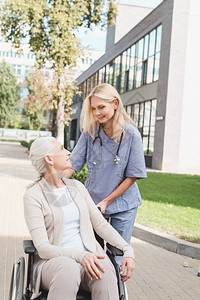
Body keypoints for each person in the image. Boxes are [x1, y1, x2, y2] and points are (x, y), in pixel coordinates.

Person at [23, 136, 135, 300]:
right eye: (61, 149)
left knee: (104, 269)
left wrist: (127, 249)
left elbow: (101, 226)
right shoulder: (33, 196)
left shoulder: (77, 188)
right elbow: (43, 248)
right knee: (68, 268)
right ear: (49, 159)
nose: (68, 152)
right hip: (54, 264)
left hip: (88, 259)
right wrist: (79, 256)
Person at [66, 83, 147, 263]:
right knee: (93, 254)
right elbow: (73, 164)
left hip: (123, 205)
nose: (96, 113)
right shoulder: (90, 132)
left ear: (115, 104)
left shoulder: (131, 134)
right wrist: (52, 183)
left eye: (101, 107)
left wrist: (107, 201)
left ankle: (115, 288)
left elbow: (133, 176)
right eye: (93, 108)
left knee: (117, 256)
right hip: (94, 204)